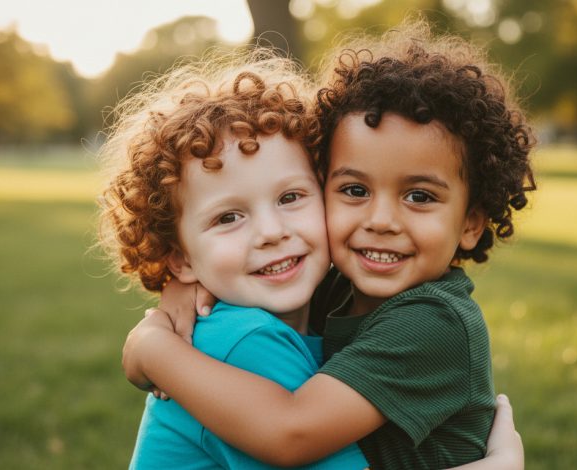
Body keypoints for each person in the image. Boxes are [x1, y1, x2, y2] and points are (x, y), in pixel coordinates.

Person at [122, 19, 534, 469]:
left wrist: (155, 349)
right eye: (355, 190)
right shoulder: (328, 292)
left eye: (419, 196)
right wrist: (182, 286)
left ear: (471, 223)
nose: (380, 221)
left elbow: (291, 430)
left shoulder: (434, 323)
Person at [99, 53, 369, 469]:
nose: (271, 231)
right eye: (228, 217)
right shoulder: (245, 341)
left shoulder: (315, 307)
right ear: (181, 260)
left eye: (290, 197)